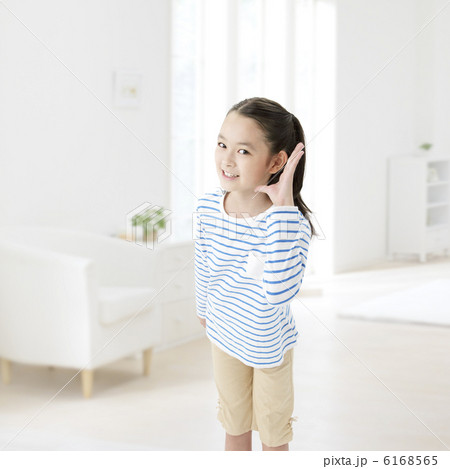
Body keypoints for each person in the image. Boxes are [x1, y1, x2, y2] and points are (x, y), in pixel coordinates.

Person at [194, 97, 315, 451]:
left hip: (267, 347)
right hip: (224, 336)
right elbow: (203, 264)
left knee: (273, 437)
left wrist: (283, 208)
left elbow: (278, 292)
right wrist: (204, 310)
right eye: (222, 145)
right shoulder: (206, 207)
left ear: (276, 162)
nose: (227, 160)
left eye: (243, 151)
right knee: (234, 427)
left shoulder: (290, 224)